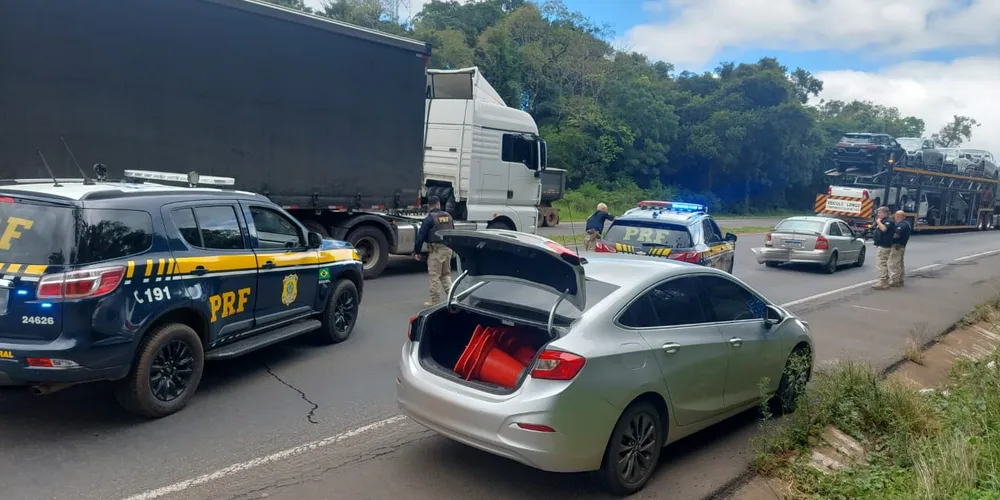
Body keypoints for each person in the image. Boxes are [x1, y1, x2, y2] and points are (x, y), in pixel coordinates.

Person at [414, 196, 455, 307]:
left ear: (429, 206)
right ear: (438, 204)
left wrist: (417, 251)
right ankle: (453, 298)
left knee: (434, 275)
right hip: (448, 249)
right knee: (445, 275)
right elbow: (453, 231)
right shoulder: (448, 216)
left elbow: (420, 237)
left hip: (436, 251)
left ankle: (435, 301)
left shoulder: (429, 218)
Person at [871, 206, 896, 290]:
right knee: (883, 263)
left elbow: (884, 229)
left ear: (885, 213)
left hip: (885, 246)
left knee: (881, 264)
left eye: (880, 212)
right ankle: (885, 281)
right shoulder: (884, 221)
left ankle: (883, 282)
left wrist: (878, 222)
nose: (878, 214)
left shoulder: (889, 221)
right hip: (882, 244)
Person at [888, 210, 911, 287]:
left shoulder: (901, 225)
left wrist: (889, 236)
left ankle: (894, 280)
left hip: (897, 246)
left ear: (898, 216)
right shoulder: (907, 224)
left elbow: (896, 235)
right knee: (900, 263)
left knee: (894, 264)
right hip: (902, 246)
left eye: (895, 216)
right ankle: (900, 279)